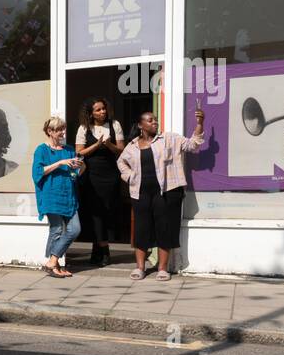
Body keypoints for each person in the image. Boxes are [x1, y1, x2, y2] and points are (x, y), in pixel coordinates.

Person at [117, 108, 205, 280]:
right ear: (141, 125)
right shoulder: (133, 145)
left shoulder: (169, 138)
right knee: (141, 228)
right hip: (140, 192)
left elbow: (192, 144)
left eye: (155, 120)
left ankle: (162, 268)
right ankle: (140, 267)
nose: (154, 122)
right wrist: (129, 177)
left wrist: (199, 124)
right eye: (150, 120)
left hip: (166, 191)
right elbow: (121, 162)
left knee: (164, 228)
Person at [74, 97, 125, 265]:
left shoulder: (114, 124)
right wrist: (97, 145)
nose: (102, 112)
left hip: (110, 174)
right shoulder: (84, 128)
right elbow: (79, 152)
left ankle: (98, 251)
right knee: (95, 212)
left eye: (103, 108)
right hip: (91, 175)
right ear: (90, 113)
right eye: (98, 110)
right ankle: (104, 251)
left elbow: (121, 150)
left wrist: (108, 144)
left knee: (107, 211)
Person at [32, 115, 83, 278]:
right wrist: (60, 163)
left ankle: (52, 262)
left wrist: (80, 167)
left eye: (63, 129)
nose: (63, 132)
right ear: (50, 131)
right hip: (50, 195)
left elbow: (76, 174)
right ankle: (55, 265)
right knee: (56, 230)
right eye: (59, 129)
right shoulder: (42, 150)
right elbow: (38, 173)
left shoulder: (68, 150)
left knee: (75, 229)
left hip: (68, 195)